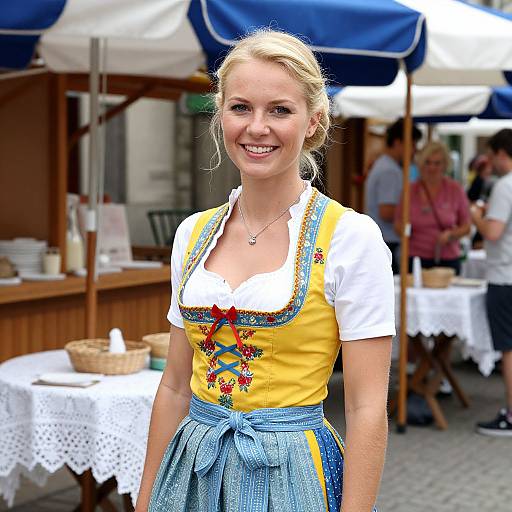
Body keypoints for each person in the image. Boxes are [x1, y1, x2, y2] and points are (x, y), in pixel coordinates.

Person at [136, 30, 395, 512]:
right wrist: (146, 498)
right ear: (220, 115)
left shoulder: (350, 239)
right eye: (240, 108)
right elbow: (174, 385)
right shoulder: (193, 234)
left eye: (280, 109)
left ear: (313, 121)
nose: (257, 127)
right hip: (191, 471)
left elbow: (364, 408)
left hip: (291, 478)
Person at [471, 129, 512, 437]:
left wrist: (476, 217)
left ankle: (510, 415)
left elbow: (494, 232)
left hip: (503, 276)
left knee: (508, 350)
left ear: (501, 153)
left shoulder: (504, 186)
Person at [394, 141, 471, 275]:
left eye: (437, 163)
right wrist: (406, 230)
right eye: (427, 162)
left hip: (448, 259)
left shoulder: (455, 189)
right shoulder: (410, 191)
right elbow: (398, 224)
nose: (432, 168)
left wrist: (451, 235)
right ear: (421, 165)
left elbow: (466, 226)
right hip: (415, 259)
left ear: (445, 165)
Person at [364, 119, 422, 273]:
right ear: (398, 143)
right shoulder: (390, 171)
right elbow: (387, 211)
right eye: (413, 145)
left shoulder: (385, 165)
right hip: (388, 241)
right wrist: (418, 214)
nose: (414, 150)